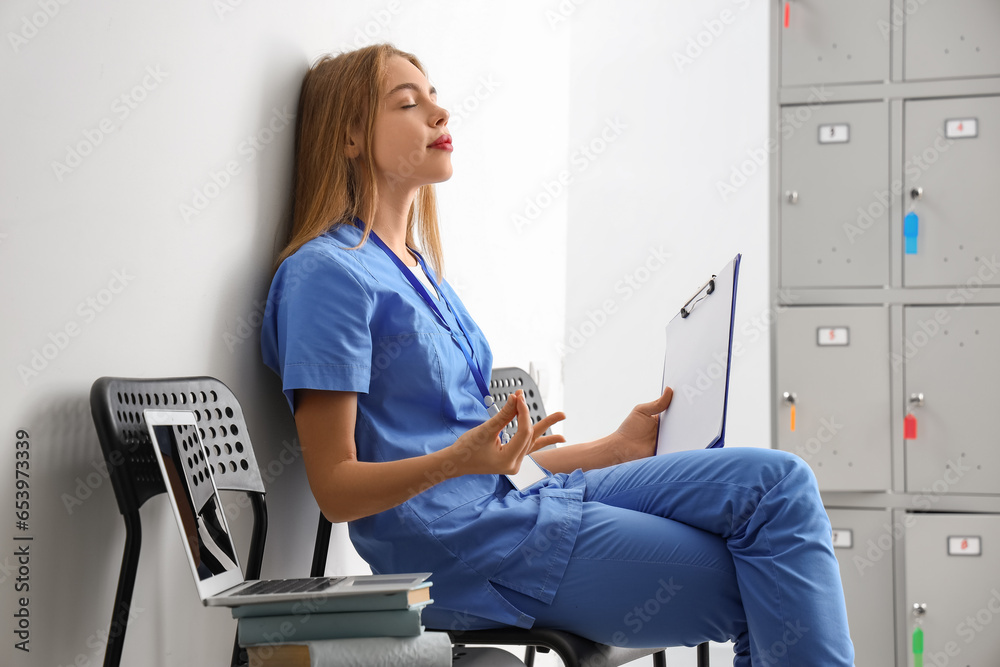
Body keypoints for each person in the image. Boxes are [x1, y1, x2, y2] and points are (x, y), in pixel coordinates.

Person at [260, 43, 855, 666]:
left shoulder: (419, 270)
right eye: (409, 103)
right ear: (350, 136)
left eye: (435, 97)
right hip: (467, 551)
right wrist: (459, 460)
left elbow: (488, 459)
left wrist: (614, 449)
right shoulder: (326, 276)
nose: (439, 113)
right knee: (775, 582)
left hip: (518, 506)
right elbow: (336, 488)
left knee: (778, 484)